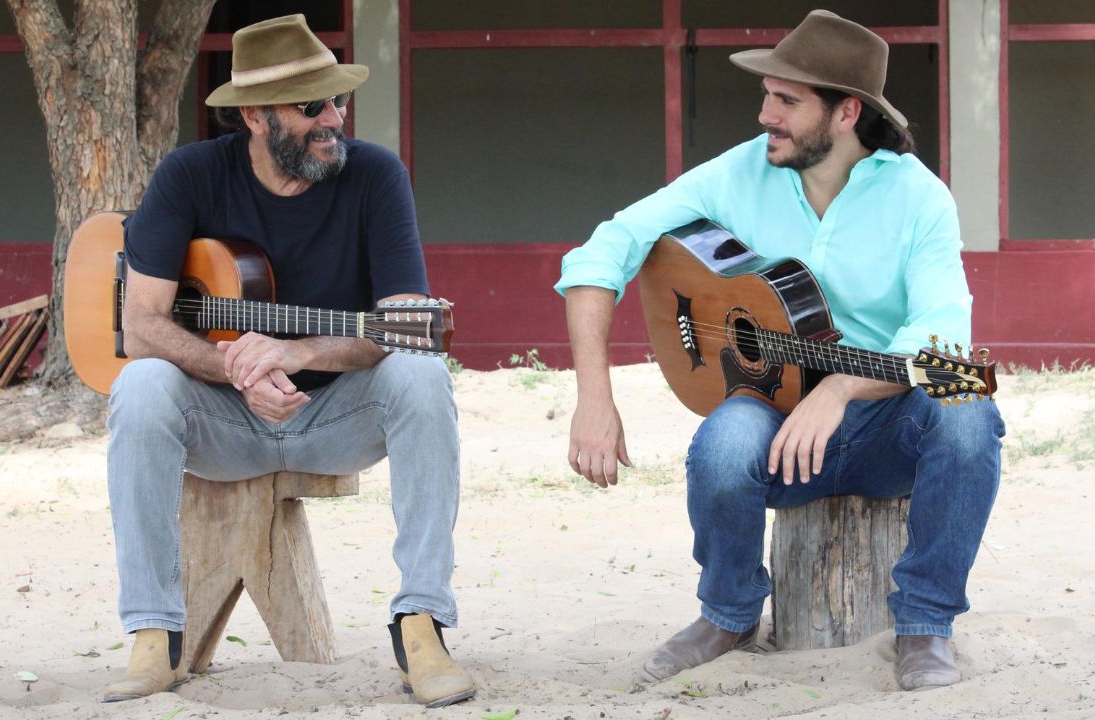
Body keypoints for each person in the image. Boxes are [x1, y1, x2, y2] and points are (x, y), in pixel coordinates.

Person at [554, 9, 1004, 692]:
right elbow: (604, 250)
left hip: (888, 428)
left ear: (848, 112)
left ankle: (924, 624)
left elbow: (942, 339)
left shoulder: (920, 199)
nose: (765, 114)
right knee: (723, 442)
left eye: (786, 100)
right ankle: (730, 613)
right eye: (767, 95)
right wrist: (594, 396)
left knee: (967, 411)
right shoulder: (736, 175)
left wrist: (842, 387)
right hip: (775, 420)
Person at [100, 14, 474, 708]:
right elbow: (140, 322)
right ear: (253, 115)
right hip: (224, 422)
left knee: (421, 372)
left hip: (336, 416)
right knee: (143, 384)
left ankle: (421, 622)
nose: (333, 118)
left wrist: (298, 350)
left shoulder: (375, 178)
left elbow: (401, 325)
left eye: (337, 102)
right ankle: (154, 633)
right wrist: (232, 367)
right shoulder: (189, 177)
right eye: (312, 106)